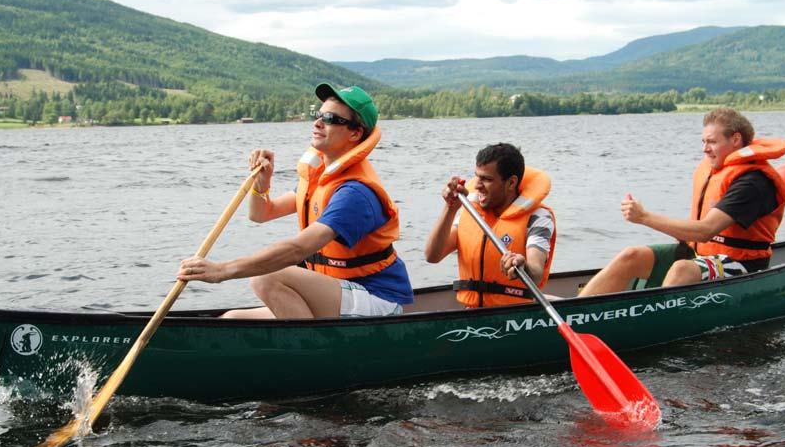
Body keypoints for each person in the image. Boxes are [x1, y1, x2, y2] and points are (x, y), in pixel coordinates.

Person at [178, 83, 413, 318]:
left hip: (378, 300)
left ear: (355, 133)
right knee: (231, 319)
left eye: (330, 118)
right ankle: (306, 344)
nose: (318, 122)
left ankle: (312, 351)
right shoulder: (320, 177)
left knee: (266, 276)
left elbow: (298, 249)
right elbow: (261, 214)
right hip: (339, 292)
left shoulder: (355, 193)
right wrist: (262, 184)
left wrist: (222, 271)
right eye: (318, 114)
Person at [579, 108, 785, 296]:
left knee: (682, 268)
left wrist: (643, 217)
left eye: (712, 142)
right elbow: (699, 236)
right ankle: (577, 314)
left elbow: (705, 230)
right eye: (704, 142)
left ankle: (650, 323)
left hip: (743, 264)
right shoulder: (716, 169)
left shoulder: (752, 182)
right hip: (700, 252)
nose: (705, 149)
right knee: (631, 255)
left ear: (735, 139)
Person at [424, 143, 557, 308]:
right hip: (472, 311)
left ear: (511, 183)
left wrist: (522, 265)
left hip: (515, 314)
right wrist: (450, 208)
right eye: (477, 177)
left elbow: (536, 273)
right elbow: (432, 256)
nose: (477, 185)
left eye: (487, 179)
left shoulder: (538, 217)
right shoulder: (470, 212)